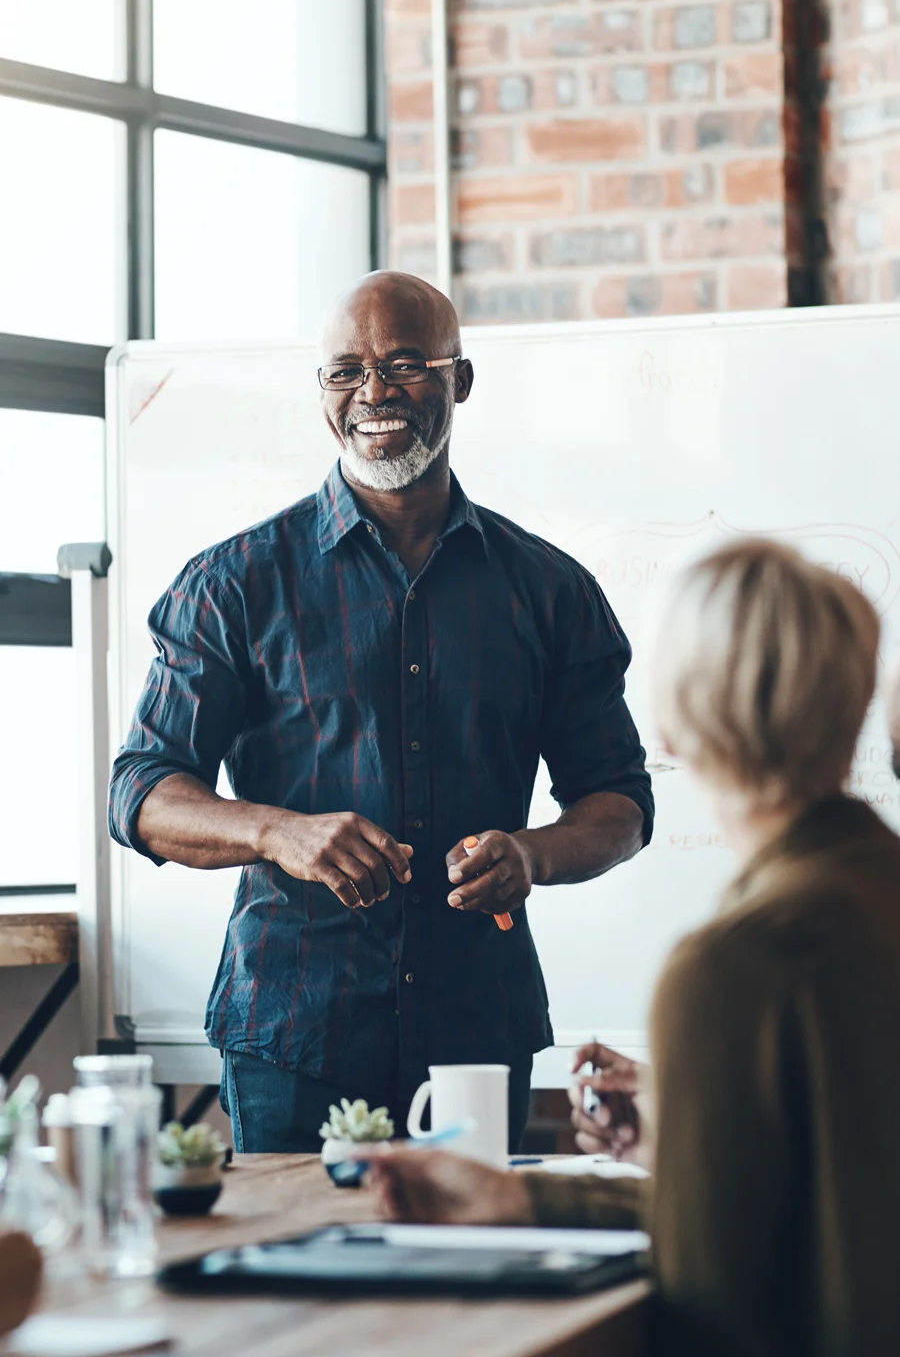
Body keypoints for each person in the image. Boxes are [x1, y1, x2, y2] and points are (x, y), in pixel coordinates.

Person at [108, 271, 653, 1154]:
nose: (374, 394)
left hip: (477, 1035)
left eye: (404, 364)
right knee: (294, 1292)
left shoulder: (549, 592)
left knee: (470, 1287)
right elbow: (140, 791)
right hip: (295, 1038)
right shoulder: (234, 584)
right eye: (345, 372)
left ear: (459, 380)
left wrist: (533, 854)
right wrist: (277, 831)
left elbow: (622, 802)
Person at [368, 539, 900, 1357]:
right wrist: (682, 1142)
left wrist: (527, 1201)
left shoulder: (735, 966)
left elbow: (711, 1285)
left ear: (676, 725)